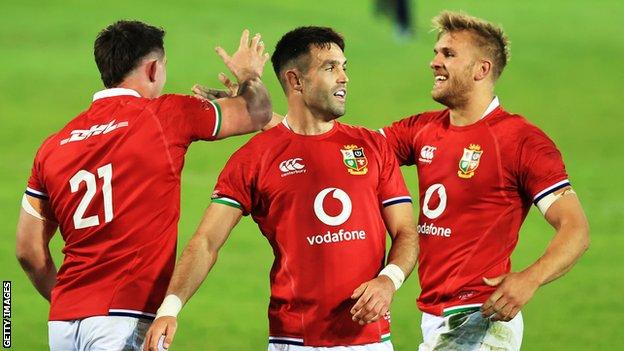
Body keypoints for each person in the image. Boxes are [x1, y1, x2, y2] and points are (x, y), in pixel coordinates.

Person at [144, 26, 419, 351]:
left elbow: (406, 231)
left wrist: (389, 280)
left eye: (344, 67)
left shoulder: (372, 146)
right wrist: (169, 309)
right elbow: (206, 241)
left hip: (372, 341)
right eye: (330, 68)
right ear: (296, 81)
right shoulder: (254, 159)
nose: (343, 77)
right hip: (294, 340)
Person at [15, 20, 272, 350]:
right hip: (125, 318)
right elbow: (259, 112)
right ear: (153, 68)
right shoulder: (165, 115)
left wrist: (72, 303)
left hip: (64, 326)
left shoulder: (54, 145)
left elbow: (27, 250)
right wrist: (249, 75)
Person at [378, 11, 590, 350]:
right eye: (436, 52)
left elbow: (575, 228)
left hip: (480, 315)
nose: (434, 62)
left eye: (448, 54)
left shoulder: (521, 141)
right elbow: (347, 150)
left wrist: (529, 279)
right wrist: (272, 121)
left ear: (481, 70)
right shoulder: (422, 129)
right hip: (435, 313)